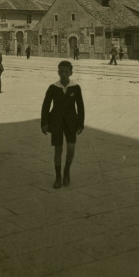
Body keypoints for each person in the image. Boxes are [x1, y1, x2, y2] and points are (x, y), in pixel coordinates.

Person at [41, 61, 85, 189]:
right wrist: (44, 123)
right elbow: (46, 106)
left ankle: (66, 171)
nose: (63, 74)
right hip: (56, 122)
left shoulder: (75, 88)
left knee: (71, 148)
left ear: (71, 73)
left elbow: (80, 106)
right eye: (61, 72)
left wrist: (81, 123)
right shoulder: (53, 88)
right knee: (58, 149)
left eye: (66, 72)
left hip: (71, 122)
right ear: (58, 72)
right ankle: (58, 176)